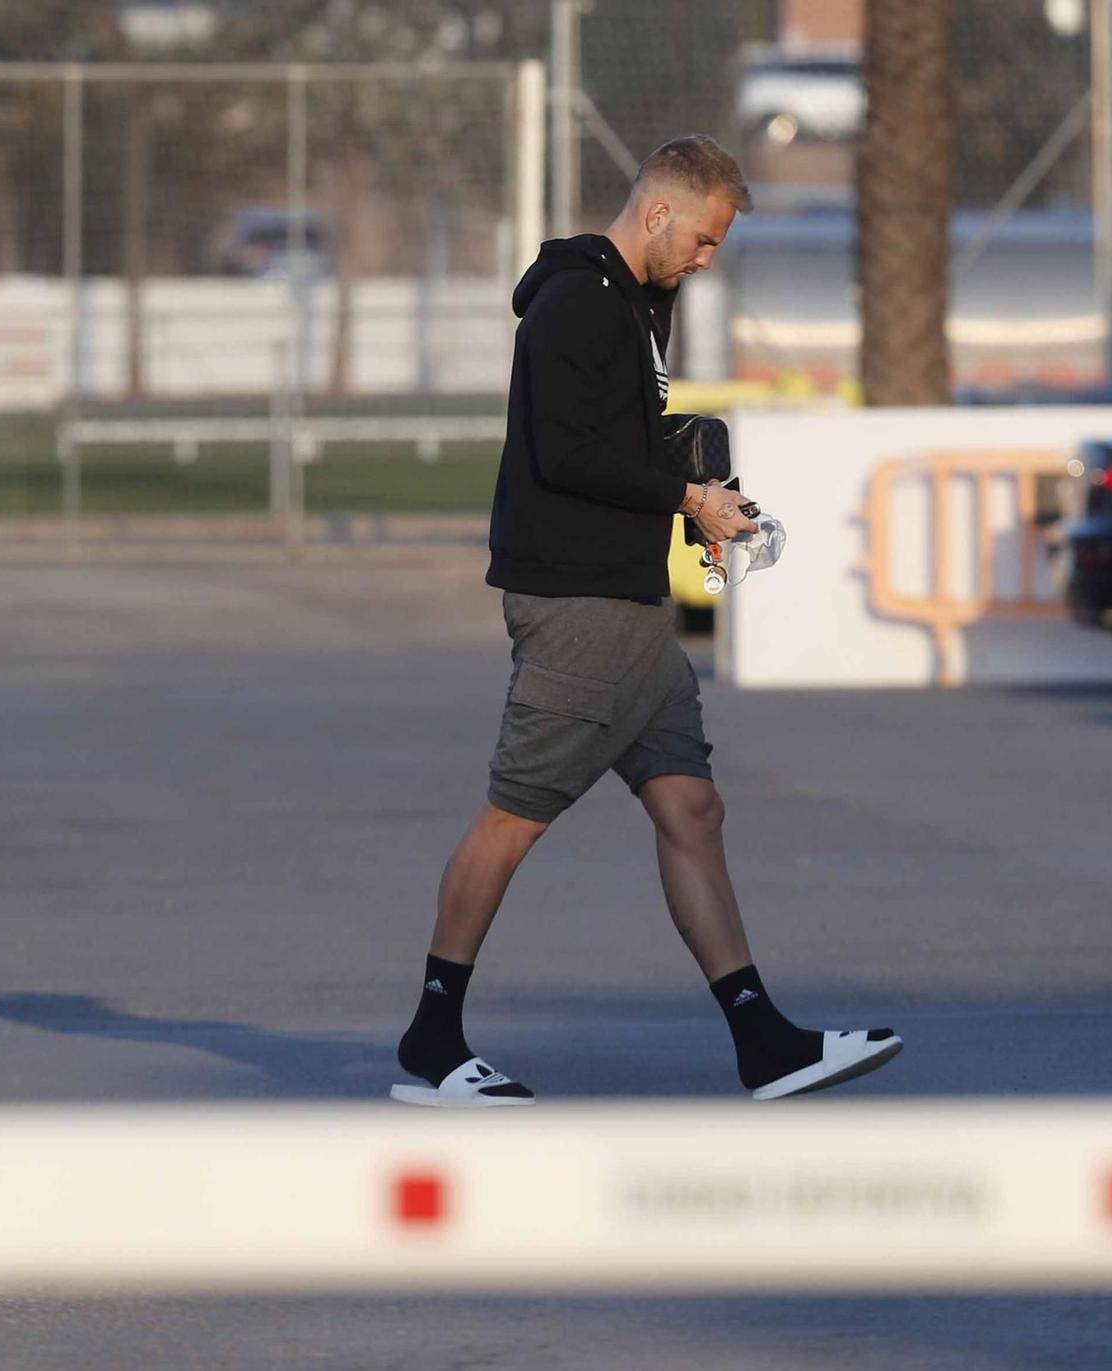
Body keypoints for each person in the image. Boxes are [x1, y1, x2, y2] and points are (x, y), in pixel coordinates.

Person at [390, 135, 902, 1107]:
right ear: (658, 211)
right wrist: (687, 497)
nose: (706, 259)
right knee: (513, 817)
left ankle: (764, 1044)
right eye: (703, 239)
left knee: (691, 809)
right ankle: (431, 1038)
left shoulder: (638, 302)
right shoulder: (576, 302)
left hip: (631, 606)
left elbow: (616, 440)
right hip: (579, 607)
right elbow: (565, 453)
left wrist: (694, 476)